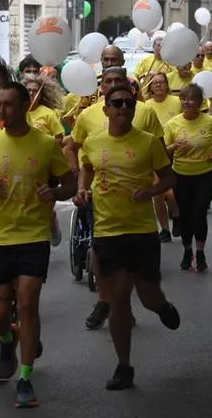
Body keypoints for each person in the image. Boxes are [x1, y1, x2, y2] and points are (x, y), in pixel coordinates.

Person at [0, 82, 76, 407]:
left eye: (8, 105)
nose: (1, 110)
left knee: (27, 304)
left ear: (25, 105)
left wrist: (54, 193)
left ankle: (25, 379)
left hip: (33, 236)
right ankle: (8, 342)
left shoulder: (44, 144)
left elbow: (68, 182)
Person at [75, 85, 181, 390]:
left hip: (142, 232)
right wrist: (83, 189)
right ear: (106, 109)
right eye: (116, 103)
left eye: (128, 103)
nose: (123, 108)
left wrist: (151, 191)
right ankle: (124, 366)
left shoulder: (148, 143)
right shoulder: (93, 143)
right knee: (119, 297)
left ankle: (162, 306)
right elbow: (86, 169)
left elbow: (169, 177)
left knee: (147, 296)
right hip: (108, 231)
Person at [66, 62, 165, 331]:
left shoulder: (143, 112)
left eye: (117, 80)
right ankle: (104, 301)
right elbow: (74, 148)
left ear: (127, 84)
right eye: (107, 82)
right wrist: (79, 181)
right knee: (100, 246)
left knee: (133, 273)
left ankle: (127, 304)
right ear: (102, 89)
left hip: (136, 203)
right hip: (102, 197)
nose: (113, 87)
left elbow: (158, 150)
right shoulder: (87, 115)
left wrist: (153, 186)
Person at [163, 84, 212, 271]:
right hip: (181, 175)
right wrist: (174, 146)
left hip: (205, 175)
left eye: (191, 99)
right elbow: (164, 152)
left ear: (200, 102)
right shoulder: (173, 124)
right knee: (186, 215)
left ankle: (201, 253)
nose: (186, 102)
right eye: (183, 99)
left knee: (199, 213)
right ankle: (188, 251)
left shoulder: (210, 121)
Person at [144, 73, 183, 244]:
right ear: (150, 87)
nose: (159, 86)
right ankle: (165, 229)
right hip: (154, 154)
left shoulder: (177, 102)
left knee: (171, 192)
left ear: (167, 85)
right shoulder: (146, 106)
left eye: (162, 83)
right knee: (158, 193)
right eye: (155, 83)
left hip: (177, 151)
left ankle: (176, 214)